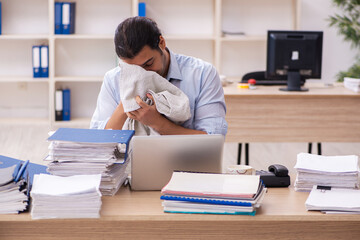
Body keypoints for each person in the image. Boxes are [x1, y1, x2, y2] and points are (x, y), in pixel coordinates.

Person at [90, 17, 227, 136]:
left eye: (148, 64)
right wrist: (125, 104)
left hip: (188, 164)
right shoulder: (113, 79)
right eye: (132, 69)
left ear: (161, 43)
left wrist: (158, 123)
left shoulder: (202, 74)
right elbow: (99, 141)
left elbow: (213, 139)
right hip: (133, 164)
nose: (141, 74)